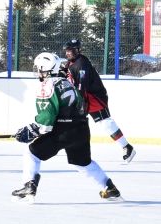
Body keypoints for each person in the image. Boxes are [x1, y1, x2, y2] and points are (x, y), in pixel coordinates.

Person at [11, 52, 122, 203]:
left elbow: (46, 121)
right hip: (81, 129)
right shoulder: (67, 82)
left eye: (39, 69)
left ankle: (29, 185)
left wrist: (31, 130)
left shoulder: (46, 86)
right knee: (82, 162)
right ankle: (109, 187)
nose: (38, 72)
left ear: (46, 69)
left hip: (63, 131)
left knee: (32, 153)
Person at [63, 38, 135, 162]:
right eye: (67, 50)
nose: (68, 53)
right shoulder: (70, 62)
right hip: (84, 97)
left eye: (71, 50)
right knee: (74, 122)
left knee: (106, 123)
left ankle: (127, 147)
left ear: (78, 50)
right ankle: (72, 148)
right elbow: (66, 74)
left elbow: (82, 86)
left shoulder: (81, 64)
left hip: (94, 97)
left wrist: (79, 104)